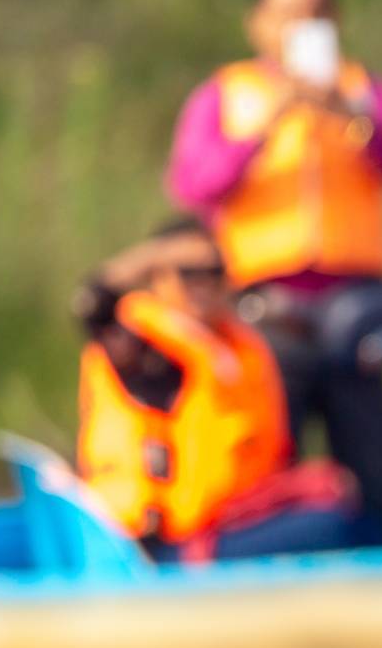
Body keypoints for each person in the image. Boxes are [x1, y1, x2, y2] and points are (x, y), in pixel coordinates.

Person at [164, 0, 382, 546]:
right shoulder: (226, 96)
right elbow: (194, 184)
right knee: (266, 464)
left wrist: (349, 115)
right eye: (287, 15)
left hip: (353, 311)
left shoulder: (360, 89)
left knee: (372, 464)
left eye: (316, 14)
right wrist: (267, 124)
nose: (301, 27)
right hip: (265, 310)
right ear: (257, 23)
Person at [73, 221, 366, 561]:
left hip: (230, 523)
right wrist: (149, 256)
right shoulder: (145, 352)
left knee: (339, 500)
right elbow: (91, 306)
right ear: (157, 276)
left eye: (214, 272)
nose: (204, 284)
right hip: (165, 545)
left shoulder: (237, 347)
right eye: (188, 272)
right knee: (328, 527)